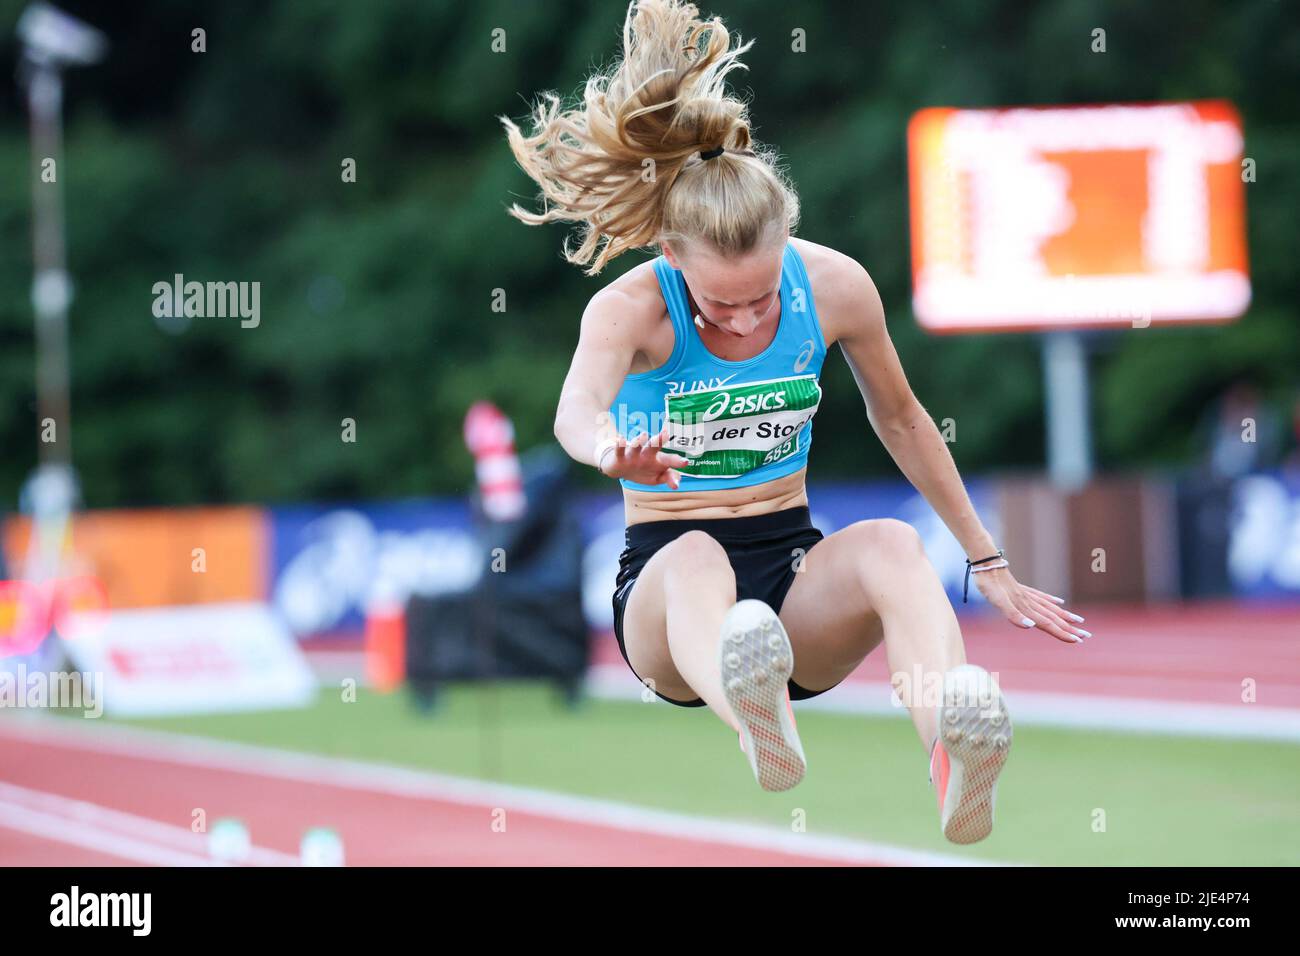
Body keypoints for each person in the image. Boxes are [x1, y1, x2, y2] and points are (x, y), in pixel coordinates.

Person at [499, 0, 1087, 844]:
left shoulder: (836, 286)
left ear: (790, 245)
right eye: (720, 302)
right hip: (669, 591)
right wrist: (608, 452)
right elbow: (573, 409)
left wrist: (985, 557)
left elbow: (904, 417)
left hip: (791, 575)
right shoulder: (630, 310)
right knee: (699, 558)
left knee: (890, 542)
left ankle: (952, 754)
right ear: (671, 258)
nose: (743, 322)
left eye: (763, 297)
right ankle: (757, 722)